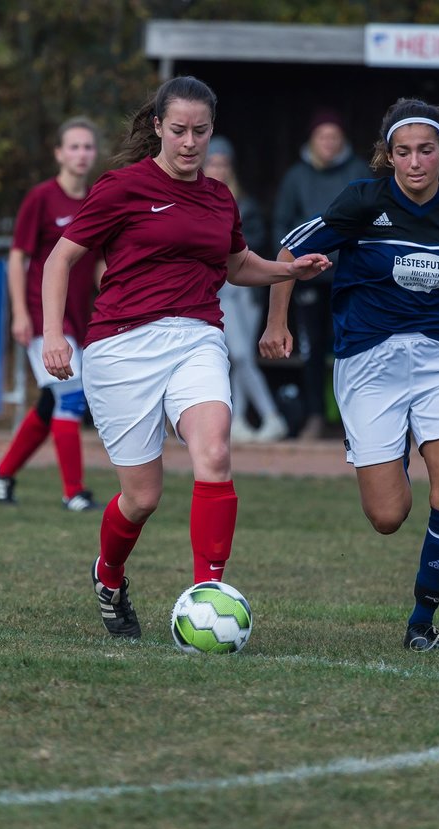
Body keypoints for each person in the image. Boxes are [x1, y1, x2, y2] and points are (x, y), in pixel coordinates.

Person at [40, 76, 331, 639]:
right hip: (121, 346)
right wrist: (56, 334)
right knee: (142, 497)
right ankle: (109, 573)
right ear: (157, 127)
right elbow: (60, 260)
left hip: (196, 335)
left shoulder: (219, 197)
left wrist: (285, 271)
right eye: (178, 130)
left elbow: (236, 265)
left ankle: (209, 595)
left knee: (215, 451)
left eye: (200, 131)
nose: (190, 142)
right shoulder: (122, 187)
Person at [263, 97, 439, 651]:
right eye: (402, 152)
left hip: (436, 361)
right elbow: (290, 248)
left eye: (426, 150)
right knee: (388, 515)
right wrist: (277, 322)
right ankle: (396, 450)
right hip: (368, 364)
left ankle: (422, 622)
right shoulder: (361, 201)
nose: (415, 162)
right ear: (389, 155)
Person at [0, 117, 103, 511]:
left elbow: (101, 261)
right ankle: (74, 491)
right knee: (70, 397)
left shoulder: (97, 199)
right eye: (73, 146)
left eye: (88, 147)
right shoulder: (41, 198)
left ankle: (2, 472)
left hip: (80, 317)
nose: (81, 153)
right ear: (58, 153)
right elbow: (18, 257)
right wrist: (20, 313)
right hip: (44, 316)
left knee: (51, 403)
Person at [272, 108, 373, 439]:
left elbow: (372, 220)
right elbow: (282, 227)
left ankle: (356, 419)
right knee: (312, 350)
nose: (328, 143)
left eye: (334, 137)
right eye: (322, 137)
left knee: (355, 348)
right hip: (308, 280)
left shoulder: (358, 172)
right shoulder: (296, 176)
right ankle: (315, 415)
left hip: (351, 278)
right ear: (312, 140)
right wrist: (292, 266)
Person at [202, 136, 288, 443]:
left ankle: (271, 416)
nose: (218, 169)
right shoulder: (197, 199)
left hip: (243, 292)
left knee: (240, 356)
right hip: (217, 289)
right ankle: (237, 420)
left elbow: (248, 248)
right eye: (213, 162)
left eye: (223, 164)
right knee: (236, 358)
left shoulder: (245, 205)